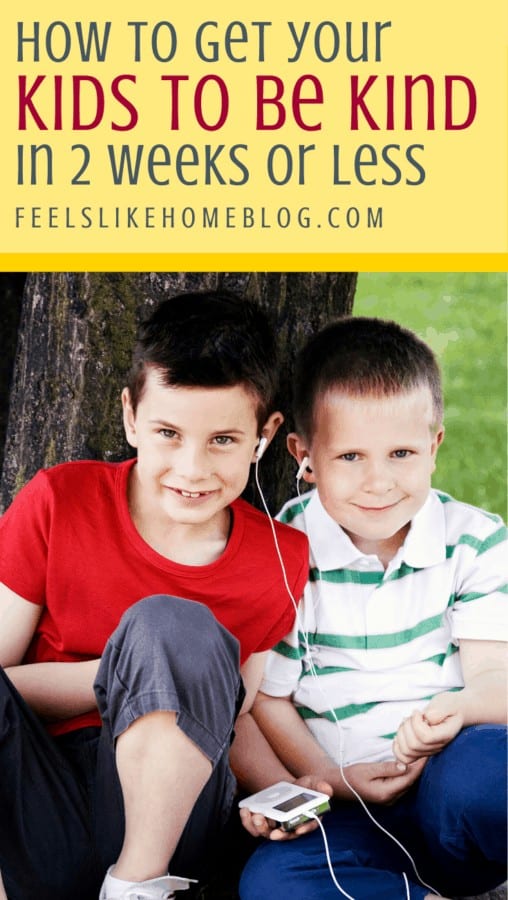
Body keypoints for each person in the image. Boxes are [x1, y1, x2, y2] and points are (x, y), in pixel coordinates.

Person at [0, 291, 312, 900]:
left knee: (171, 625)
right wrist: (127, 675)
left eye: (223, 439)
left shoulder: (278, 557)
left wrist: (282, 789)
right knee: (156, 636)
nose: (192, 469)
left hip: (173, 822)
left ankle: (136, 888)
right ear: (130, 418)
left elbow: (235, 712)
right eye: (168, 432)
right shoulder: (59, 501)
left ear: (265, 433)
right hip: (38, 798)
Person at [239, 316, 507, 900]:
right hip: (348, 810)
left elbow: (496, 679)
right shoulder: (281, 553)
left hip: (451, 789)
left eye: (402, 453)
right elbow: (269, 698)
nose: (379, 481)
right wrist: (331, 782)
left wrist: (458, 710)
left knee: (492, 776)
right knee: (272, 883)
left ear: (434, 447)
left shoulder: (473, 541)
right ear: (304, 457)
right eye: (351, 457)